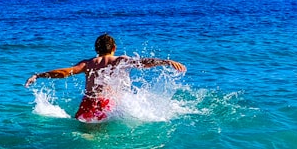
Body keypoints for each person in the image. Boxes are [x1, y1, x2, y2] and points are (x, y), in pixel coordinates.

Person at [25, 33, 186, 122]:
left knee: (84, 131)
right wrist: (165, 61)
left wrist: (39, 75)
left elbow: (65, 72)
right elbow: (142, 63)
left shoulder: (88, 63)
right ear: (114, 48)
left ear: (96, 49)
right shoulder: (120, 60)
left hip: (87, 103)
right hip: (106, 104)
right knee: (99, 138)